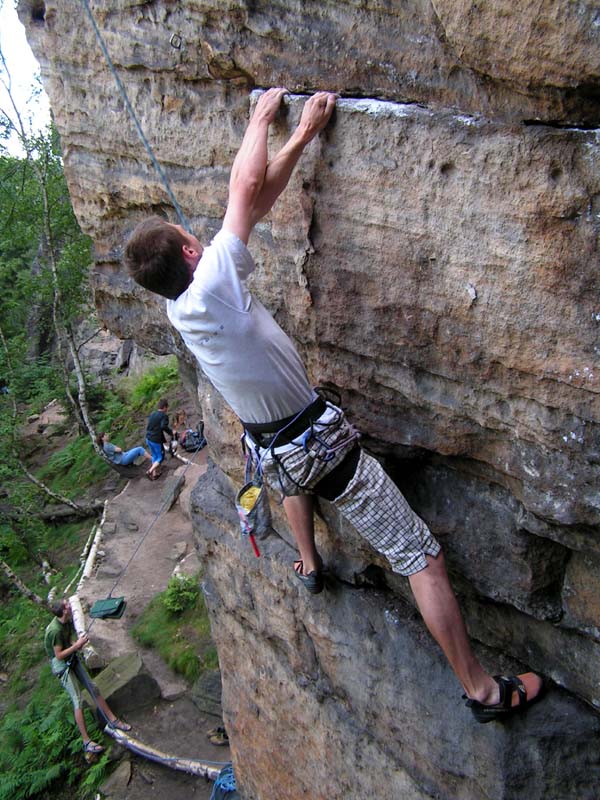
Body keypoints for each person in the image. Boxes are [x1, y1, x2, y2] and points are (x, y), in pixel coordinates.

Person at [124, 88, 544, 722]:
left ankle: (309, 561)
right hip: (320, 447)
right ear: (191, 255)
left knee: (288, 468)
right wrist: (261, 120)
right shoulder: (211, 283)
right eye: (194, 238)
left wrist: (301, 139)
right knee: (420, 557)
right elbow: (243, 190)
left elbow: (256, 205)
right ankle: (482, 690)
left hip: (274, 450)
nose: (204, 241)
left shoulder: (183, 298)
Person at [44, 599, 131, 754]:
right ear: (64, 611)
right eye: (67, 605)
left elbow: (69, 640)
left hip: (71, 659)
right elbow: (58, 655)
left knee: (93, 688)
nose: (70, 606)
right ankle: (86, 741)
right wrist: (76, 646)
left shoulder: (66, 621)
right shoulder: (55, 630)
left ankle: (113, 720)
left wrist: (78, 643)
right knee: (77, 700)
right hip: (63, 667)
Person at [145, 398, 174, 479]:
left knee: (154, 455)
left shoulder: (152, 414)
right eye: (167, 407)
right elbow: (163, 426)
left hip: (148, 438)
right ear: (164, 407)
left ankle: (155, 474)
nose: (167, 409)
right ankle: (150, 471)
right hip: (155, 440)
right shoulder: (164, 416)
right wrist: (171, 433)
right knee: (160, 457)